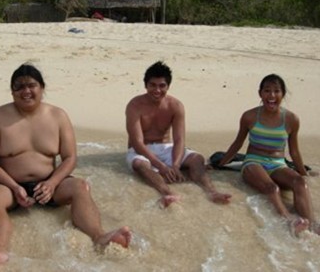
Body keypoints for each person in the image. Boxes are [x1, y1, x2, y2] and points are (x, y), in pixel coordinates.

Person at [0, 64, 131, 267]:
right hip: (8, 187)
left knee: (80, 186)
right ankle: (0, 251)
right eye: (19, 87)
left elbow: (70, 157)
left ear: (42, 88)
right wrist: (14, 186)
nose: (26, 91)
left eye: (32, 85)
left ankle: (99, 237)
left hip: (49, 185)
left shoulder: (57, 116)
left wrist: (52, 183)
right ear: (12, 91)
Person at [217, 74, 319, 236]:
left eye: (276, 91)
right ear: (260, 93)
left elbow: (294, 151)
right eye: (267, 91)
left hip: (278, 163)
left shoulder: (291, 119)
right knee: (272, 188)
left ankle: (311, 225)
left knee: (299, 183)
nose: (271, 96)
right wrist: (221, 163)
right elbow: (237, 143)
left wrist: (303, 173)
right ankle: (288, 219)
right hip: (253, 162)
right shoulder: (249, 116)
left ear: (283, 94)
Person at [125, 61, 231, 208]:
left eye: (162, 86)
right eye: (152, 85)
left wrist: (175, 165)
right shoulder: (135, 105)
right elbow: (137, 142)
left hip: (167, 147)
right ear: (146, 85)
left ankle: (211, 192)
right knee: (139, 165)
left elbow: (179, 138)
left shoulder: (175, 106)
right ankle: (166, 192)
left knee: (197, 159)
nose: (157, 90)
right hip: (142, 149)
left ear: (168, 86)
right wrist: (161, 166)